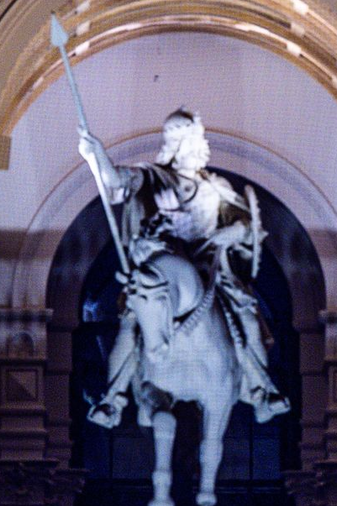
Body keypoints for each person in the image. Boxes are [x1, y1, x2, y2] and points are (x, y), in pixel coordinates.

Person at [77, 108, 287, 428]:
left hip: (211, 271)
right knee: (131, 324)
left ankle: (262, 390)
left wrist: (235, 231)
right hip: (160, 274)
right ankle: (113, 398)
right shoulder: (150, 177)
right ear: (176, 145)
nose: (201, 146)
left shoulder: (215, 185)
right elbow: (115, 181)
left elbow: (248, 225)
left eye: (199, 140)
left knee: (247, 317)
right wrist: (96, 157)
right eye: (193, 140)